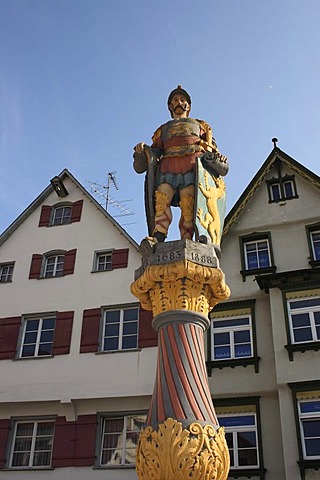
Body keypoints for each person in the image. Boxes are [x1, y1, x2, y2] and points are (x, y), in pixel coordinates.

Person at [133, 86, 228, 243]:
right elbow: (156, 151)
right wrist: (143, 151)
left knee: (189, 204)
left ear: (188, 106)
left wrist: (218, 158)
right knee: (162, 199)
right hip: (168, 165)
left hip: (192, 165)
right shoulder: (162, 130)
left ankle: (187, 240)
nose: (179, 102)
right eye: (175, 100)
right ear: (170, 106)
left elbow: (212, 149)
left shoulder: (201, 126)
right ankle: (158, 237)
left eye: (183, 100)